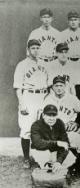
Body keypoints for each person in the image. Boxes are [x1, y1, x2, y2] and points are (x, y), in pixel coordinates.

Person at [13, 39, 48, 168]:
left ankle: (43, 159)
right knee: (27, 129)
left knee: (44, 129)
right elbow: (18, 87)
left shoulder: (46, 64)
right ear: (28, 50)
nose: (36, 50)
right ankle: (27, 158)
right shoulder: (22, 65)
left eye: (38, 48)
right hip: (29, 96)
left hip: (43, 96)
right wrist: (22, 103)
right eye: (33, 48)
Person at [30, 104, 76, 172]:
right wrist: (57, 143)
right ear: (43, 115)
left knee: (72, 158)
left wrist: (59, 161)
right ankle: (45, 166)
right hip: (41, 151)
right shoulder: (36, 125)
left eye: (54, 115)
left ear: (57, 116)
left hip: (55, 152)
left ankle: (55, 165)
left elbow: (65, 144)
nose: (51, 118)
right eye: (48, 115)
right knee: (45, 165)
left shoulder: (59, 123)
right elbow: (38, 143)